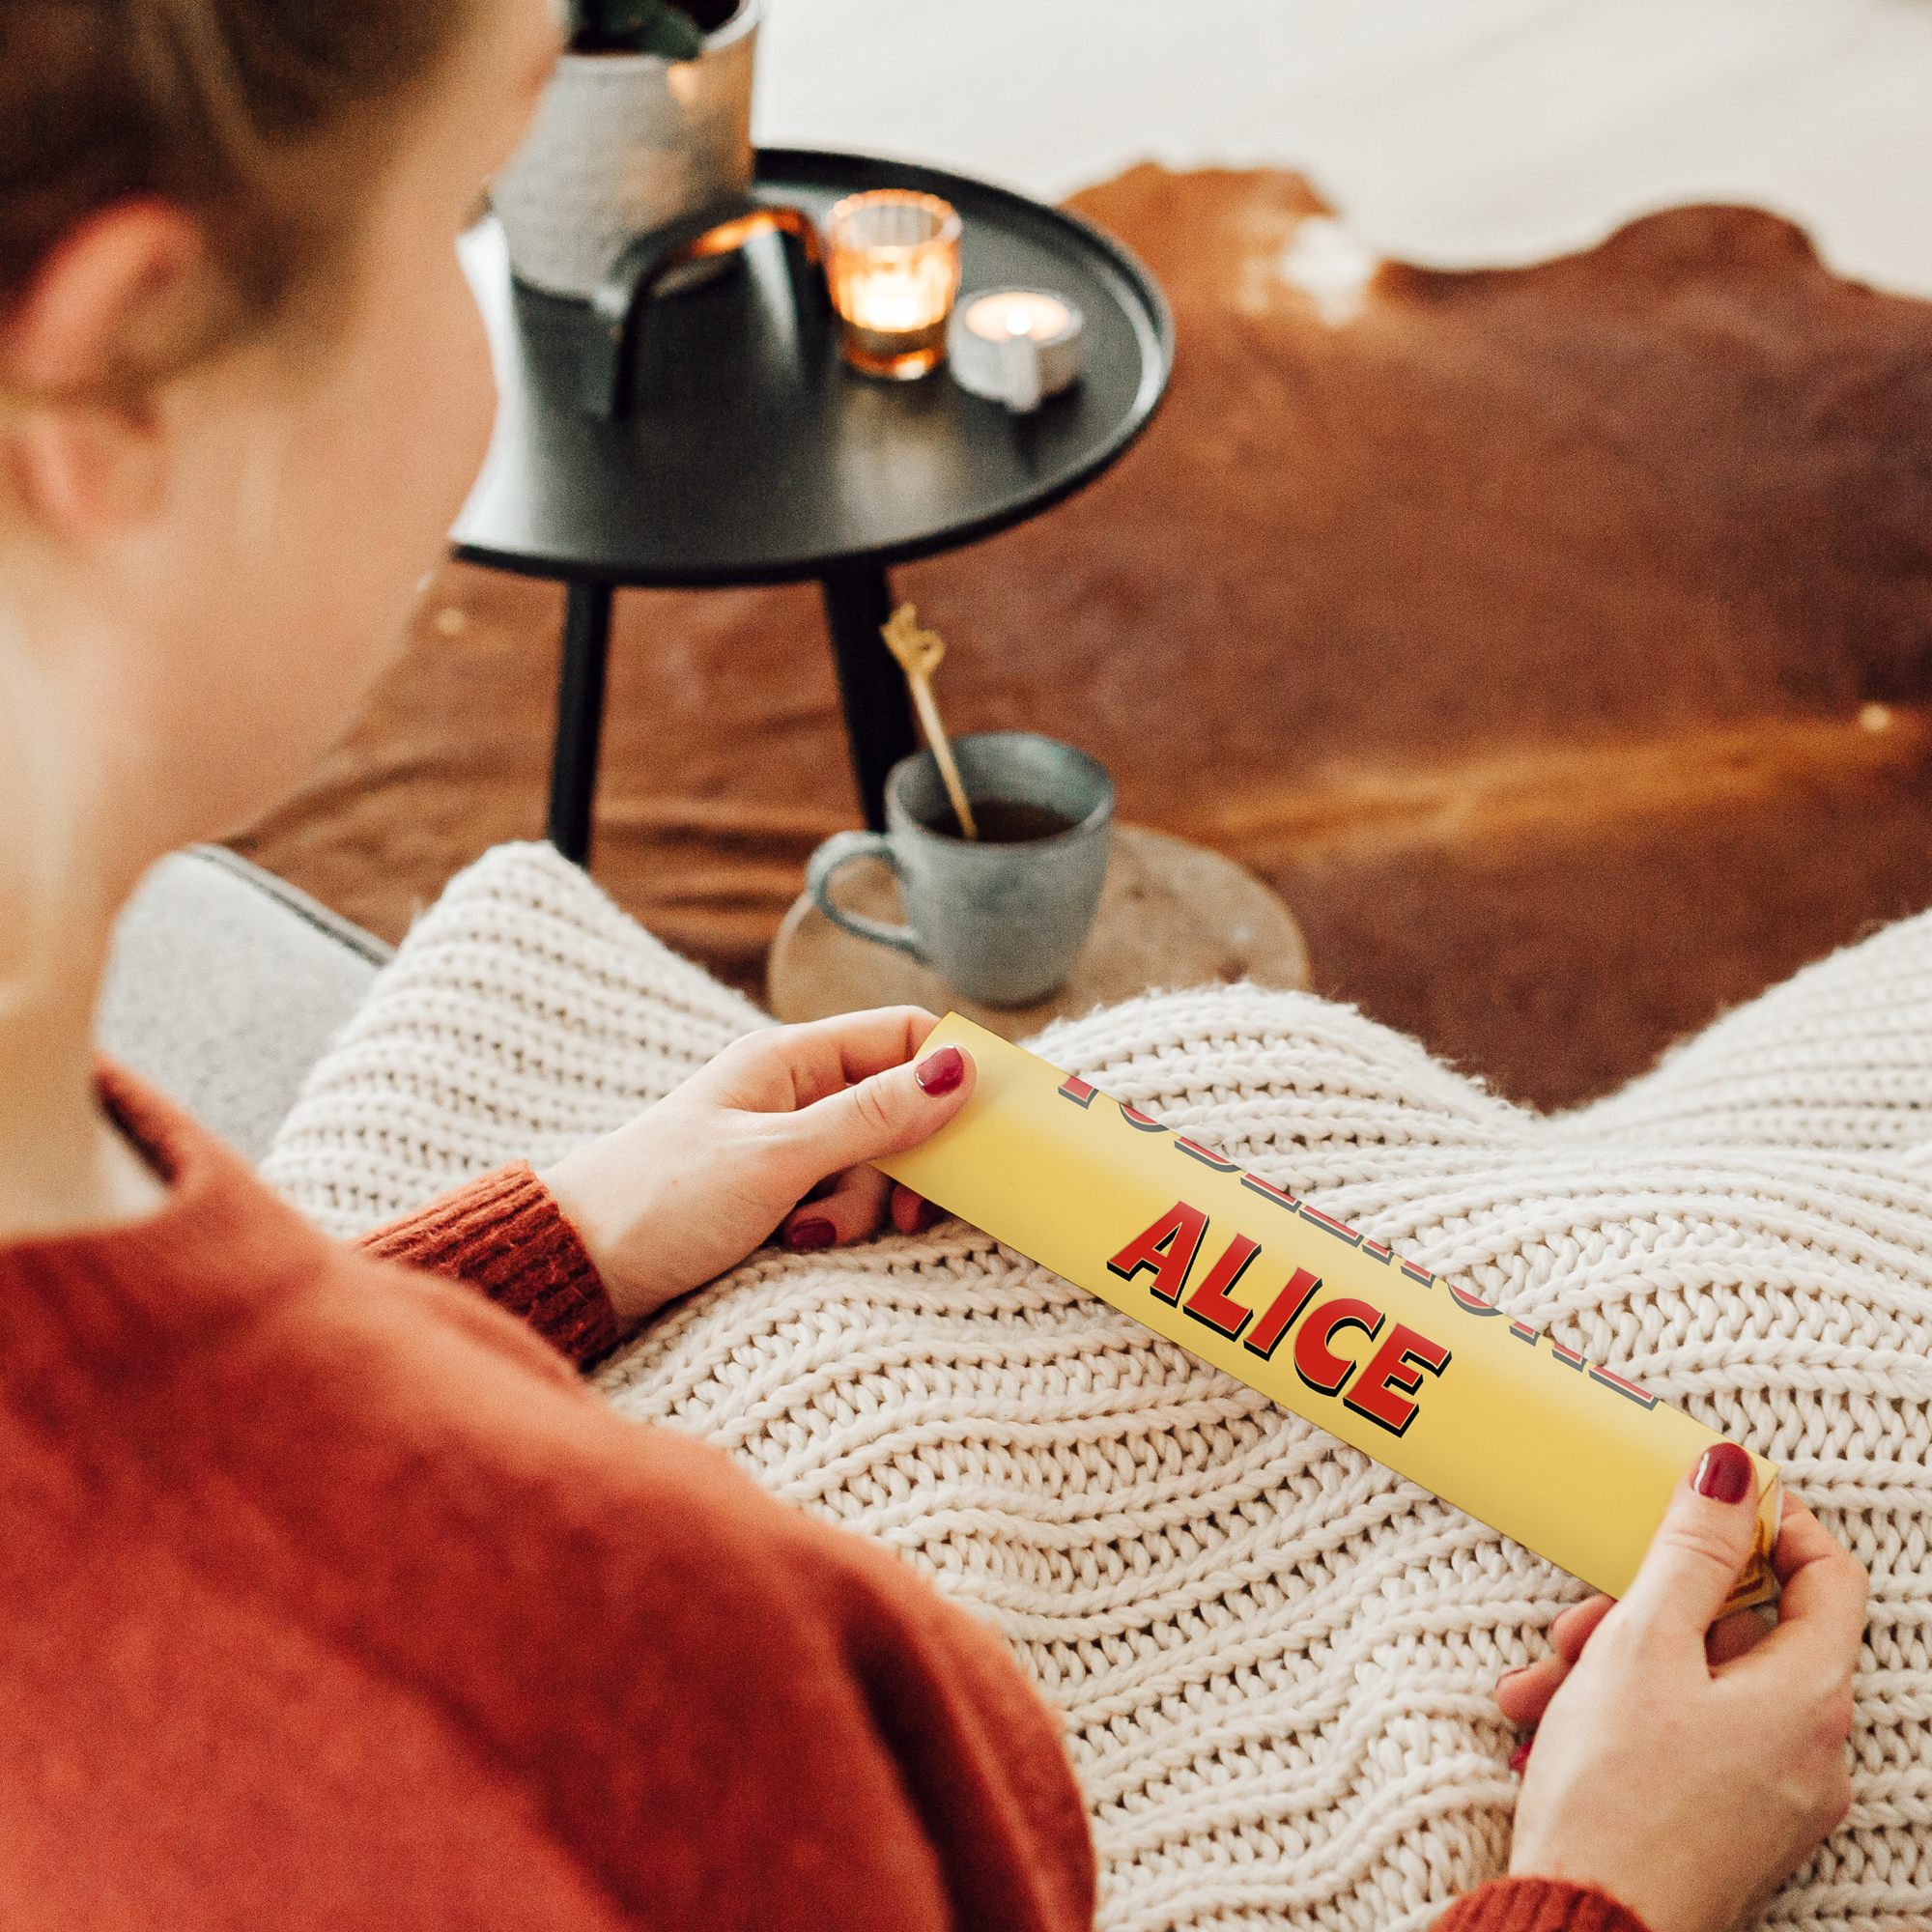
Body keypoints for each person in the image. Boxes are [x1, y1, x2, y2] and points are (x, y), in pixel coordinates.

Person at [0, 0, 1866, 1926]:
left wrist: (549, 1237)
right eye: (462, 211)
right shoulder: (641, 1697)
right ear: (126, 355)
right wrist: (1603, 1885)